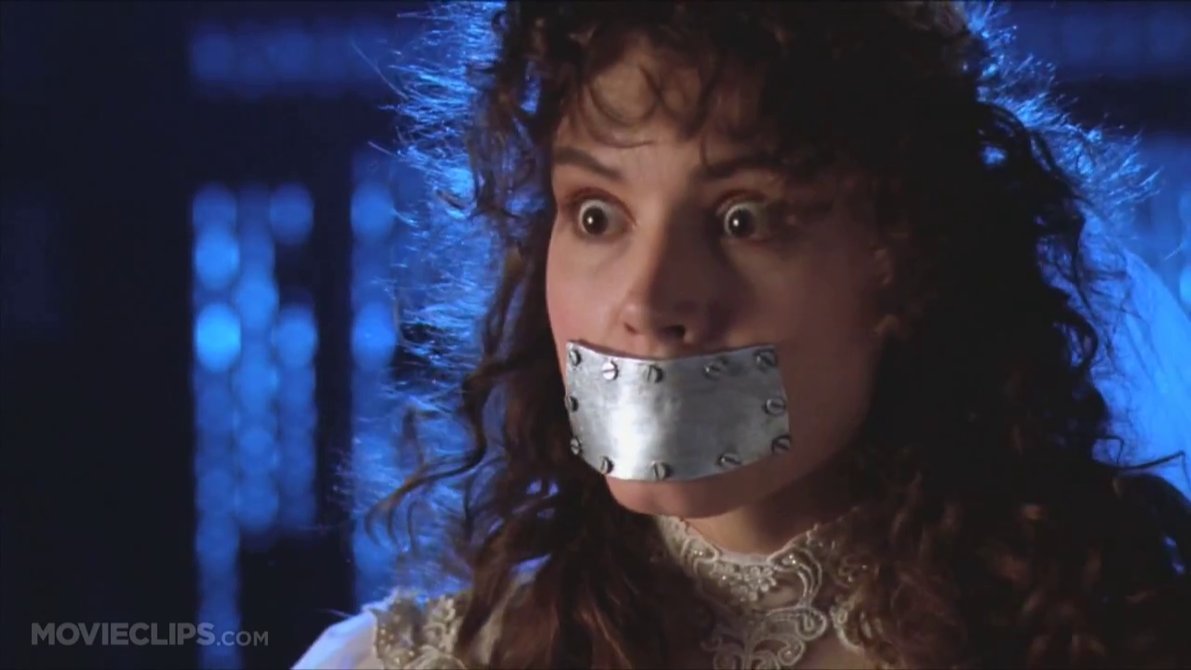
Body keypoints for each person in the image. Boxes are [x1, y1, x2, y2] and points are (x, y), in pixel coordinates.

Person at [296, 2, 1191, 668]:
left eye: (742, 219)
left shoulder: (1122, 638)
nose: (649, 301)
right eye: (597, 215)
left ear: (906, 265)